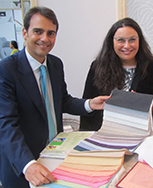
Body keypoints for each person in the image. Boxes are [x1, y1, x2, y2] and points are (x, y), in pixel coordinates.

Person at [0, 6, 109, 188]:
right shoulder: (6, 69)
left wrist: (90, 104)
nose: (45, 39)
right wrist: (28, 165)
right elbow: (5, 125)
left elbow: (63, 101)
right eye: (38, 31)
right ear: (25, 33)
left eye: (51, 33)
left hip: (55, 154)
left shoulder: (55, 64)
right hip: (23, 164)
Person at [80, 17, 153, 131]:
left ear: (139, 40)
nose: (127, 46)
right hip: (105, 134)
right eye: (120, 40)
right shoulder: (97, 67)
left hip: (142, 136)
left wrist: (151, 105)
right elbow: (88, 105)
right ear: (112, 41)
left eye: (132, 40)